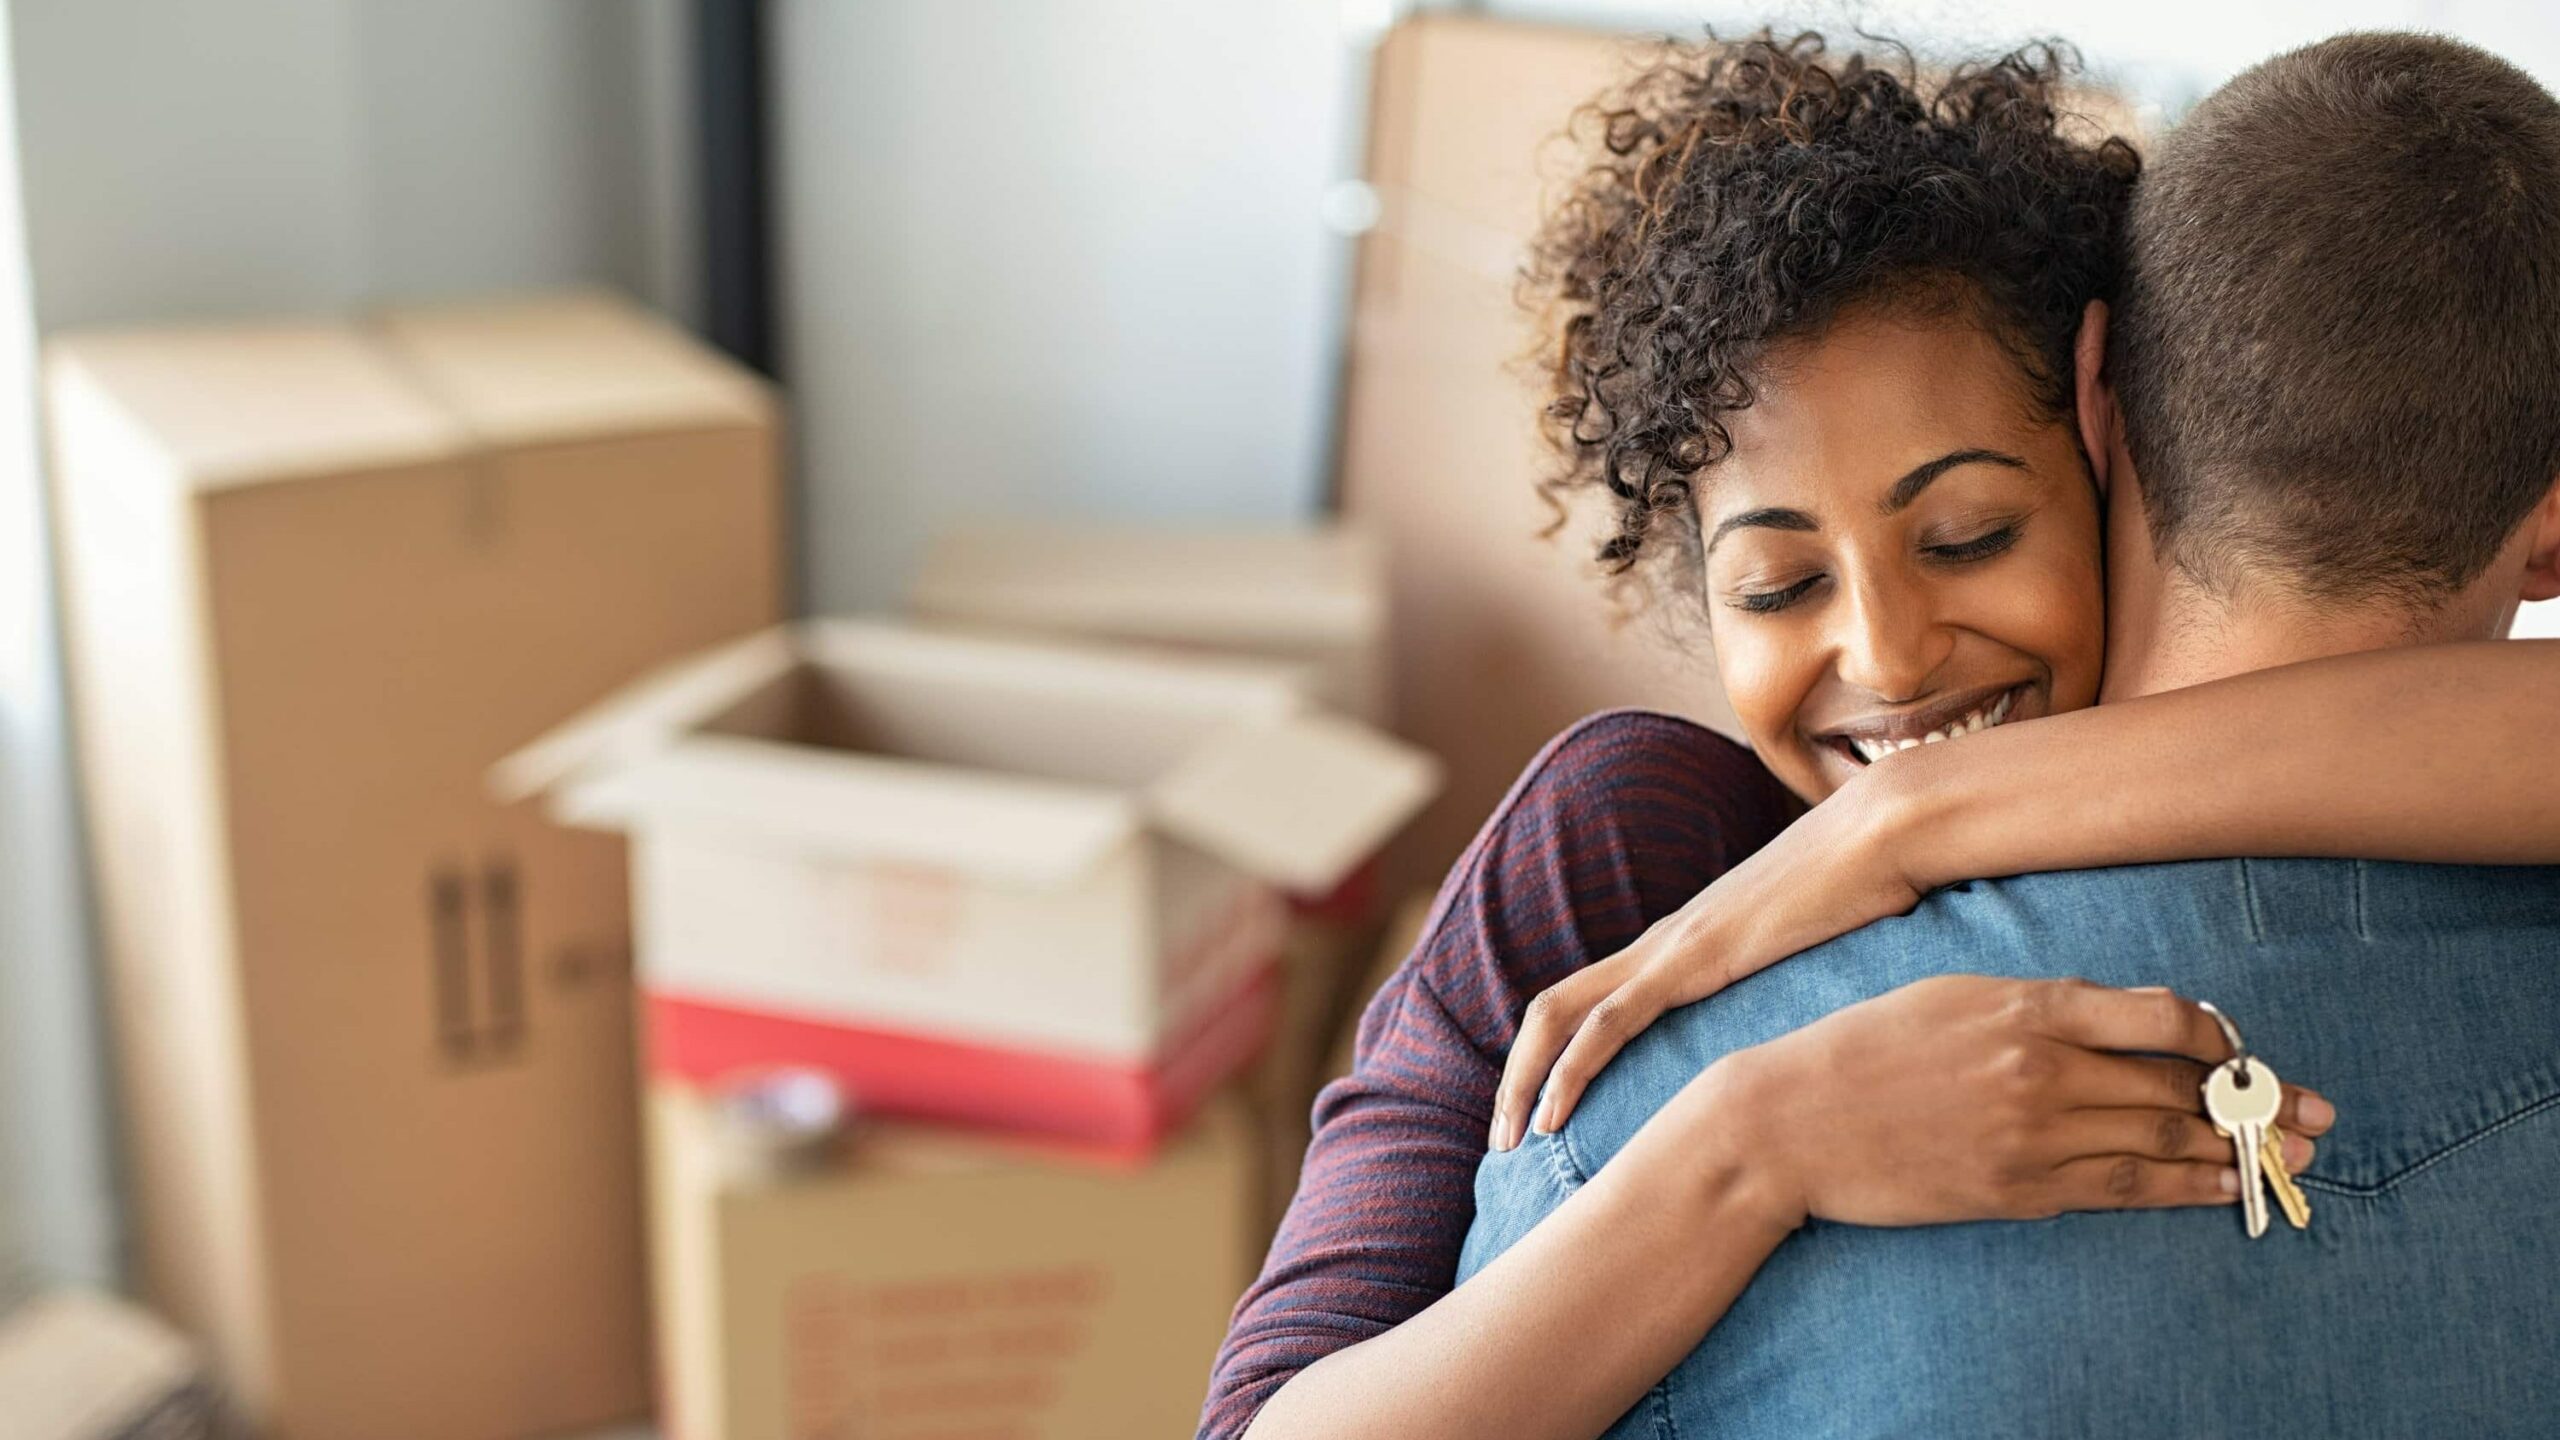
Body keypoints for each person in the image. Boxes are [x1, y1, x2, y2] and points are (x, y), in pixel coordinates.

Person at [1203, 29, 2560, 1440]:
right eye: (1780, 587)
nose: (1893, 655)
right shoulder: (1623, 852)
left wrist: (1912, 819)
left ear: (2103, 432)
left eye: (1970, 536)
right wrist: (1753, 1147)